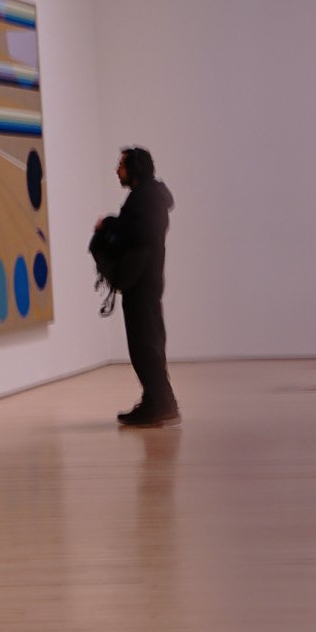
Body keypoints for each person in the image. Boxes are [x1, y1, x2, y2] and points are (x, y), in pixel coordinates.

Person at [94, 146, 179, 427]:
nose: (117, 170)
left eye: (121, 165)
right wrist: (112, 225)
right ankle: (158, 401)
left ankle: (160, 404)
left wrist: (107, 227)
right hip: (145, 281)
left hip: (142, 282)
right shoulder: (146, 199)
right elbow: (136, 231)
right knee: (148, 344)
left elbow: (137, 235)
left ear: (135, 169)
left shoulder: (145, 200)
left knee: (145, 346)